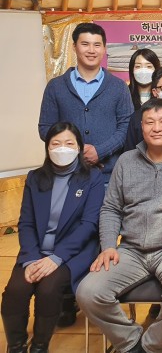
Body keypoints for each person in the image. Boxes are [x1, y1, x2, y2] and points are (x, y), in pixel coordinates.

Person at [76, 98, 162, 353]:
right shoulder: (126, 161)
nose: (157, 127)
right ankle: (130, 342)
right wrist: (108, 246)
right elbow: (111, 208)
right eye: (150, 122)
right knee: (88, 293)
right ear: (141, 127)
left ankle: (152, 345)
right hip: (131, 250)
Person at [1, 122, 104, 353]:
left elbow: (89, 225)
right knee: (15, 291)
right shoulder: (35, 178)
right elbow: (26, 223)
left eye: (69, 143)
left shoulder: (92, 178)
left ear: (79, 148)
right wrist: (30, 258)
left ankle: (40, 346)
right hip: (35, 251)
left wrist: (57, 258)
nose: (62, 148)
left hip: (72, 253)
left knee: (48, 289)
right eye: (56, 143)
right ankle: (16, 346)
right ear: (47, 148)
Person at [38, 22, 134, 185]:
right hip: (65, 176)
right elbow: (45, 128)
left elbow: (126, 127)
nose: (91, 50)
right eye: (85, 44)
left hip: (108, 178)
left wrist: (99, 151)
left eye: (97, 45)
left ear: (104, 49)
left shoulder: (119, 87)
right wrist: (75, 151)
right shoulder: (55, 86)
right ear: (74, 47)